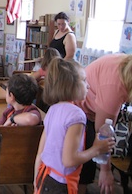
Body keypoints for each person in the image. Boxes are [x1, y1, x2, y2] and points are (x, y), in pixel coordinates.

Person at [34, 58, 115, 194]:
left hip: (44, 177)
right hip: (61, 185)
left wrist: (36, 181)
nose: (88, 86)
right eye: (84, 81)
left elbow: (40, 153)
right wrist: (96, 149)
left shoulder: (53, 109)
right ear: (71, 85)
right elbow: (69, 160)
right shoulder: (76, 115)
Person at [75, 53, 132, 194]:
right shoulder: (114, 86)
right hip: (80, 111)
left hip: (92, 109)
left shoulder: (125, 65)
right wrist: (105, 171)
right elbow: (102, 134)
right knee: (84, 169)